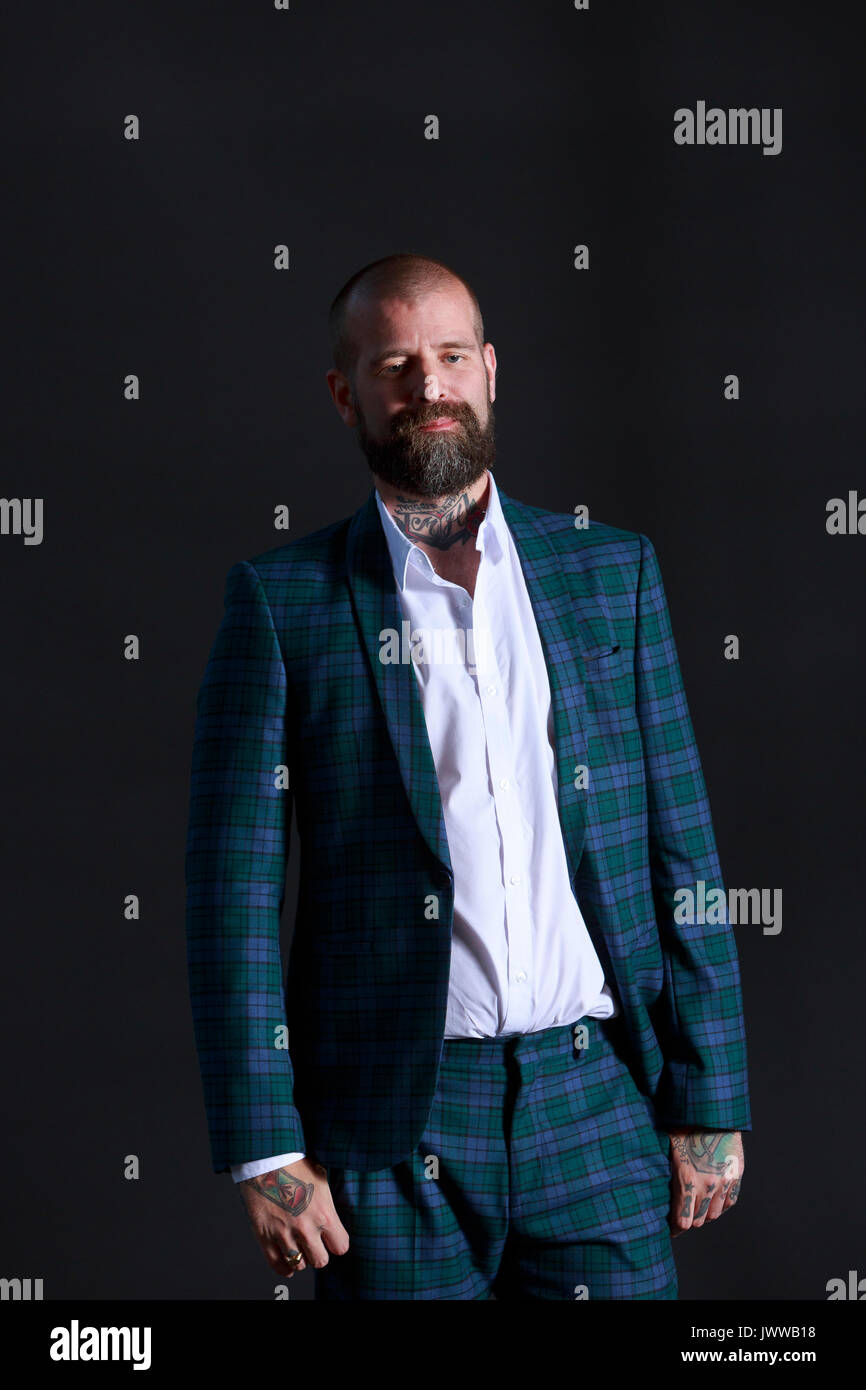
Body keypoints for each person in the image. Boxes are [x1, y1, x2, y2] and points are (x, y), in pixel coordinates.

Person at [184, 252, 750, 1300]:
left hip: (594, 1100)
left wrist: (707, 1090)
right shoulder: (281, 601)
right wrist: (263, 1144)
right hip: (388, 1125)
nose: (428, 385)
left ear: (489, 370)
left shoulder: (606, 571)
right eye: (394, 362)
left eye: (450, 355)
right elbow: (232, 894)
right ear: (343, 392)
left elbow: (683, 844)